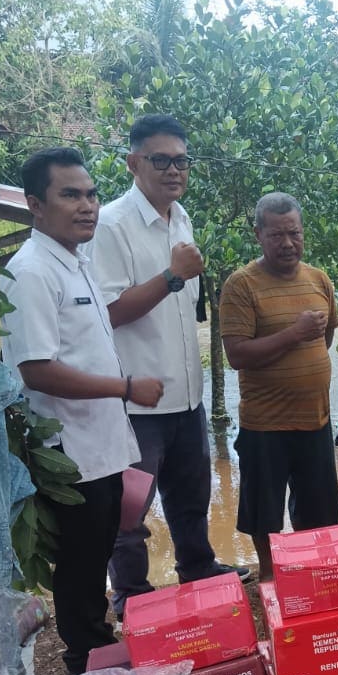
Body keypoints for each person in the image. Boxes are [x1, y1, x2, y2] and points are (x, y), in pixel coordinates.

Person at [0, 147, 163, 675]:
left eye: (91, 194)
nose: (87, 205)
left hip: (101, 447)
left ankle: (99, 651)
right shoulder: (29, 272)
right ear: (35, 205)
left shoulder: (76, 262)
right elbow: (36, 369)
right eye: (70, 194)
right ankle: (89, 663)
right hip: (69, 454)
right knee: (80, 566)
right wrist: (125, 387)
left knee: (95, 557)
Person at [88, 113, 247, 618]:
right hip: (137, 399)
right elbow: (107, 312)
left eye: (181, 161)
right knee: (130, 508)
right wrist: (172, 277)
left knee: (191, 495)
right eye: (161, 160)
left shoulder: (181, 218)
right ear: (134, 162)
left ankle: (198, 569)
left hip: (186, 394)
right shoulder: (110, 225)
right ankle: (131, 595)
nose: (174, 170)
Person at [219, 193, 338, 578]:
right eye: (276, 235)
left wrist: (306, 354)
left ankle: (312, 572)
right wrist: (294, 334)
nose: (288, 243)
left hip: (316, 420)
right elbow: (236, 354)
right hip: (265, 424)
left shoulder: (319, 278)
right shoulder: (241, 285)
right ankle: (271, 575)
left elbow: (327, 338)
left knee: (319, 507)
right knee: (263, 511)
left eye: (295, 233)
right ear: (258, 234)